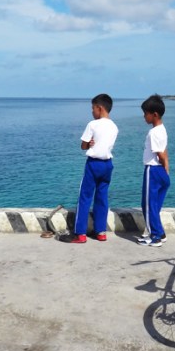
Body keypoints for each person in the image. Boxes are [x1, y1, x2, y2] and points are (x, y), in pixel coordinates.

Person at [61, 93, 119, 244]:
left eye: (93, 108)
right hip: (108, 164)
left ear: (100, 108)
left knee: (85, 197)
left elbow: (83, 146)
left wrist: (89, 144)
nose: (92, 111)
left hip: (94, 164)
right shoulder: (114, 127)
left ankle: (80, 234)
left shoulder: (93, 124)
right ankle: (100, 232)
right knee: (102, 198)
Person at [138, 94, 170, 247]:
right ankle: (160, 233)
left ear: (154, 114)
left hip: (152, 169)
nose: (144, 116)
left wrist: (163, 166)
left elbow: (160, 154)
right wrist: (166, 170)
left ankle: (155, 236)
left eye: (146, 113)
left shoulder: (154, 132)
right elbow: (165, 152)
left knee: (148, 205)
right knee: (154, 205)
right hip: (160, 171)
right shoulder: (162, 130)